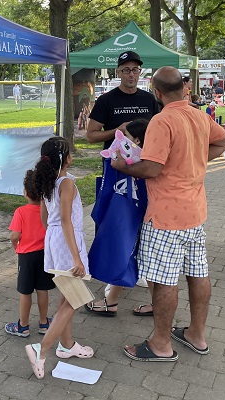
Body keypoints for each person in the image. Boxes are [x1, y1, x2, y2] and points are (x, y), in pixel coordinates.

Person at [112, 66, 225, 362]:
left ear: (157, 91)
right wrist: (193, 158)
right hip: (196, 211)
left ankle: (161, 344)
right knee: (198, 273)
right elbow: (223, 140)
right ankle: (196, 334)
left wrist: (122, 166)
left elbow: (151, 168)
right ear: (184, 88)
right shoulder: (199, 114)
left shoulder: (162, 120)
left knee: (165, 280)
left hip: (166, 215)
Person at [85, 51, 159, 316]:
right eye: (126, 70)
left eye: (135, 70)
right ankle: (115, 286)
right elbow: (91, 135)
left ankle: (122, 292)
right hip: (116, 172)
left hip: (148, 171)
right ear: (118, 73)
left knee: (143, 232)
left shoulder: (149, 99)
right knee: (118, 227)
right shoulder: (107, 100)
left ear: (141, 72)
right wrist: (118, 131)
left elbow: (162, 132)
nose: (131, 74)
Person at [25, 137, 93, 379]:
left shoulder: (48, 183)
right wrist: (77, 259)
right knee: (75, 300)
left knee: (67, 297)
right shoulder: (66, 184)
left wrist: (55, 240)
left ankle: (67, 345)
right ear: (66, 159)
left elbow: (46, 219)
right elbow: (65, 220)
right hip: (67, 244)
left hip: (54, 242)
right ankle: (40, 349)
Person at [5, 169, 55, 338]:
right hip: (44, 255)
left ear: (25, 192)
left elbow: (14, 235)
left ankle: (23, 326)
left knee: (25, 291)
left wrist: (15, 246)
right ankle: (43, 323)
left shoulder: (20, 212)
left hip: (26, 257)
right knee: (42, 290)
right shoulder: (47, 210)